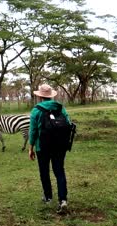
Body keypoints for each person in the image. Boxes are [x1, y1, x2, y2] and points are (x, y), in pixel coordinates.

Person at [28, 84, 71, 213]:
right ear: (51, 95)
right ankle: (63, 200)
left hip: (43, 147)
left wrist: (31, 147)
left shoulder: (36, 110)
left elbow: (33, 131)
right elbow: (68, 124)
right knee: (59, 172)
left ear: (40, 97)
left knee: (44, 172)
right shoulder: (60, 108)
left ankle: (48, 197)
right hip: (60, 146)